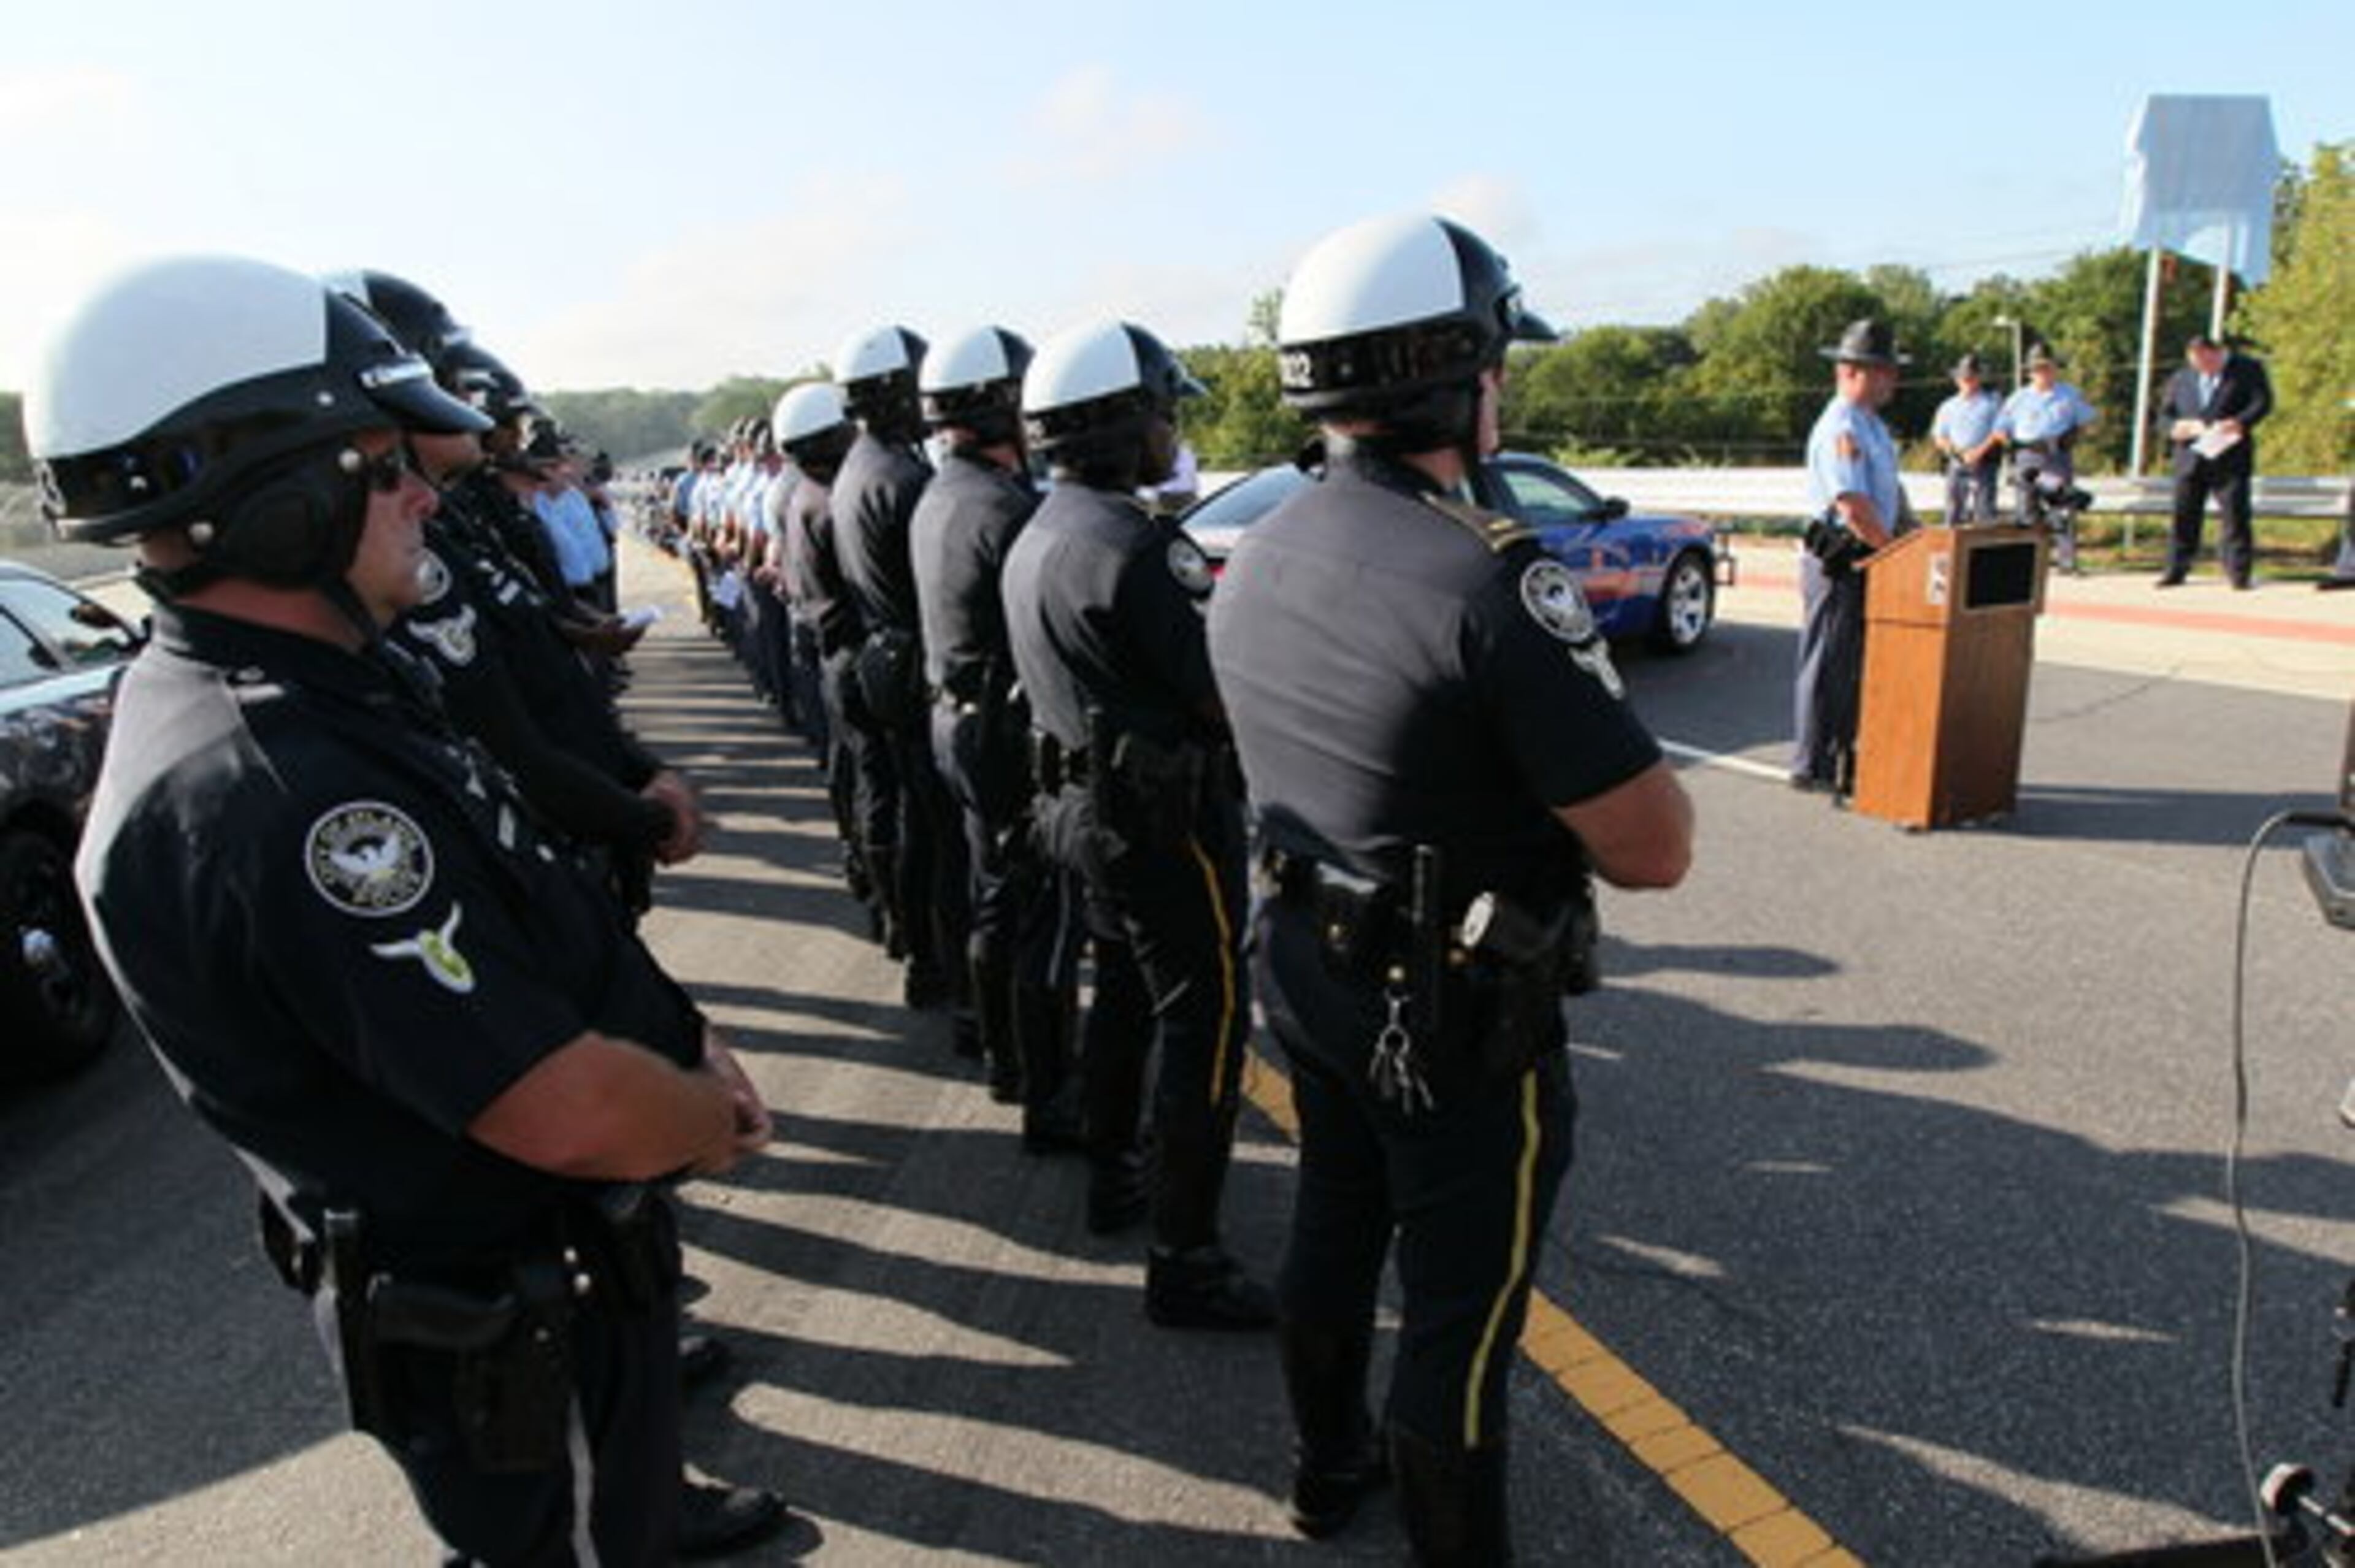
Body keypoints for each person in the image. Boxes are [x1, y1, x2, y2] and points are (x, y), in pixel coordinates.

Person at [28, 256, 786, 1562]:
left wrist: (673, 1031)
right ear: (276, 501)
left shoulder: (322, 685)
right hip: (518, 1321)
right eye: (384, 463)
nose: (428, 492)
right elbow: (567, 1106)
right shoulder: (284, 782)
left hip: (545, 1295)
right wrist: (707, 1109)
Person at [1207, 213, 1691, 1562]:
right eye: (1495, 363)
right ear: (1452, 372)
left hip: (1308, 968)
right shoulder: (1491, 573)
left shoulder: (1269, 545)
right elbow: (1653, 846)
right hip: (1448, 1006)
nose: (1506, 389)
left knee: (1334, 1219)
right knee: (1461, 1320)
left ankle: (1322, 1469)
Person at [1002, 317, 1274, 1331]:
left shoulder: (1044, 524)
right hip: (1163, 823)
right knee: (1204, 1022)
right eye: (1162, 409)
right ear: (1117, 425)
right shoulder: (1139, 545)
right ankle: (1186, 1253)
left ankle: (1114, 1176)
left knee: (1121, 991)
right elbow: (1220, 695)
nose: (1173, 428)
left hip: (1079, 811)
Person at [908, 325, 1086, 1144]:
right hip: (1002, 727)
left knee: (994, 894)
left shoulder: (943, 491)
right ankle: (1046, 1088)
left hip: (958, 716)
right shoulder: (1006, 508)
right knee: (1035, 910)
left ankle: (1001, 1052)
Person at [830, 325, 972, 1027]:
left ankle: (913, 941)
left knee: (908, 811)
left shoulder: (862, 466)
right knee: (942, 833)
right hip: (907, 655)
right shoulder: (905, 477)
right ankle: (940, 960)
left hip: (878, 653)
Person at [1792, 318, 1911, 798]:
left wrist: (1915, 536)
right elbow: (1853, 505)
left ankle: (1842, 750)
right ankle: (1811, 761)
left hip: (1868, 555)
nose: (1894, 381)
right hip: (1841, 557)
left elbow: (1889, 496)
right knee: (1827, 660)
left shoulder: (1874, 428)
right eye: (1886, 370)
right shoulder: (1840, 426)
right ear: (1855, 372)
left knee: (1850, 662)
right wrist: (1894, 553)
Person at [2156, 332, 2273, 589]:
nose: (2202, 369)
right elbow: (2164, 415)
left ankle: (2238, 573)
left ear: (2217, 353)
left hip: (2229, 454)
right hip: (2190, 455)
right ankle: (2176, 569)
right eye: (2196, 364)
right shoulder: (2181, 378)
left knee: (2234, 515)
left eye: (2207, 363)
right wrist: (2174, 428)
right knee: (2184, 514)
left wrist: (2240, 423)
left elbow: (2262, 402)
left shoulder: (2247, 370)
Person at [1994, 344, 2097, 573]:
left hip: (2056, 457)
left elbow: (2089, 421)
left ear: (2054, 369)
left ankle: (2067, 561)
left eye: (2046, 368)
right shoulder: (2018, 398)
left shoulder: (2069, 395)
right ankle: (2029, 561)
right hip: (2028, 456)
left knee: (2062, 507)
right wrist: (2009, 444)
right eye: (2036, 369)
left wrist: (2074, 436)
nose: (2041, 373)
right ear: (2029, 372)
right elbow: (2000, 428)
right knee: (2026, 510)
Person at [1931, 353, 2003, 524]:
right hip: (1957, 461)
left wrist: (1979, 452)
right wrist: (1958, 452)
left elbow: (1999, 432)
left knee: (1984, 512)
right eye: (1964, 378)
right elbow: (1939, 437)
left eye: (1971, 377)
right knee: (1953, 510)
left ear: (1979, 378)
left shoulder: (1992, 403)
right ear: (1957, 380)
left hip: (1985, 462)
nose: (1967, 381)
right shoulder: (1947, 407)